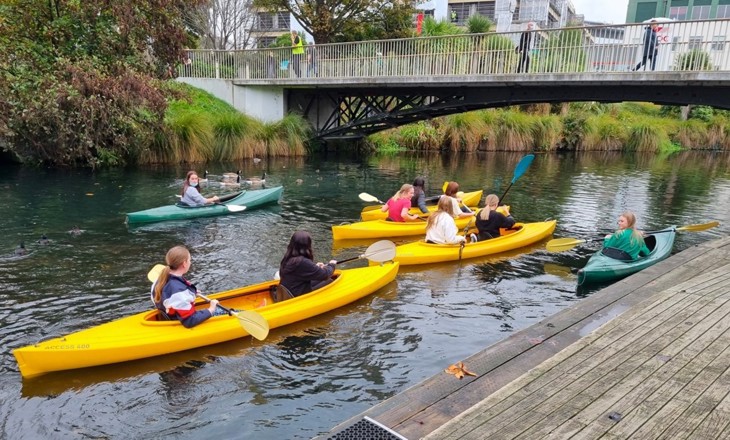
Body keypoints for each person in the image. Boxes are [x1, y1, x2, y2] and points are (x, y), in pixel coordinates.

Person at [151, 246, 221, 328]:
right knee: (224, 311)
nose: (190, 263)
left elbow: (173, 292)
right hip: (179, 321)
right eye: (189, 260)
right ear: (184, 263)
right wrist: (211, 309)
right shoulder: (179, 291)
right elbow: (189, 321)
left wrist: (192, 292)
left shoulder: (161, 279)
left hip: (171, 314)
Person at [279, 231, 337, 296]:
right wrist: (331, 264)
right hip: (296, 295)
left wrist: (315, 266)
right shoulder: (302, 261)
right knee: (329, 281)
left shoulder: (288, 257)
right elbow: (325, 274)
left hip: (287, 291)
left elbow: (301, 270)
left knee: (319, 279)